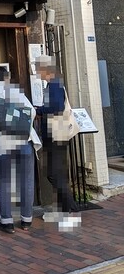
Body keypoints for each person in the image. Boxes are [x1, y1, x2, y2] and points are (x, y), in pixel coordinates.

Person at [0, 65, 41, 234]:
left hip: (3, 144)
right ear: (6, 78)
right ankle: (26, 220)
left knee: (4, 181)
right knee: (26, 180)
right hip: (24, 140)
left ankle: (7, 222)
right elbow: (32, 112)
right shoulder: (15, 92)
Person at [34, 55, 81, 230]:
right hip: (56, 134)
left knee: (54, 174)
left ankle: (70, 209)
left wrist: (39, 110)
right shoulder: (54, 84)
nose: (37, 73)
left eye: (39, 69)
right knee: (55, 173)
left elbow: (56, 107)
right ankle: (64, 209)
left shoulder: (54, 84)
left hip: (56, 134)